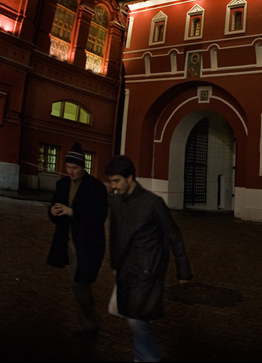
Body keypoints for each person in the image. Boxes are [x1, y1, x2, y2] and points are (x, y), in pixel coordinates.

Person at [106, 155, 192, 363]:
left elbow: (174, 235)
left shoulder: (153, 203)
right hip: (126, 268)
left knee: (136, 318)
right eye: (110, 181)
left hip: (148, 270)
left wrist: (183, 269)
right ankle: (140, 358)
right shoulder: (116, 201)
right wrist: (115, 264)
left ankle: (151, 358)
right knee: (130, 314)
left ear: (130, 177)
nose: (113, 186)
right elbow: (115, 235)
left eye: (116, 180)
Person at [46, 142, 108, 341]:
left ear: (83, 167)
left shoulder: (95, 187)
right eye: (68, 167)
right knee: (79, 284)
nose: (71, 171)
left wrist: (72, 211)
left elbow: (98, 217)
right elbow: (54, 208)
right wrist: (53, 211)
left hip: (88, 244)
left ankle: (89, 326)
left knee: (80, 284)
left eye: (75, 168)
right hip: (68, 242)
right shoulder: (62, 184)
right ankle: (89, 324)